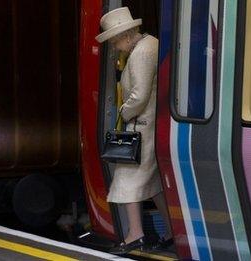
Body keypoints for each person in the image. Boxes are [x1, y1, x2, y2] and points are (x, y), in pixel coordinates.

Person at [95, 7, 173, 254]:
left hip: (142, 127)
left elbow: (139, 96)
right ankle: (173, 233)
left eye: (115, 41)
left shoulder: (141, 53)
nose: (115, 47)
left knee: (126, 180)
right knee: (153, 185)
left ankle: (135, 235)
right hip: (148, 124)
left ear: (126, 35)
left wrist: (122, 113)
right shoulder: (148, 45)